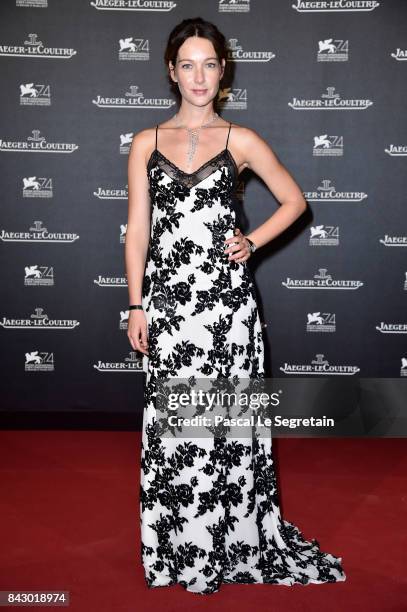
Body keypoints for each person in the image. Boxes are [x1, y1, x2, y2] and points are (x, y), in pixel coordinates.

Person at [125, 17, 346, 595]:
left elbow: (296, 201)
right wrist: (135, 304)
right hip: (170, 309)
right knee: (177, 427)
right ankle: (178, 543)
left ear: (223, 72)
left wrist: (252, 242)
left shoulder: (240, 140)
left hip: (226, 310)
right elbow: (138, 230)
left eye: (211, 64)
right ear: (172, 72)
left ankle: (230, 540)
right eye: (188, 64)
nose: (199, 76)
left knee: (225, 425)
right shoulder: (145, 141)